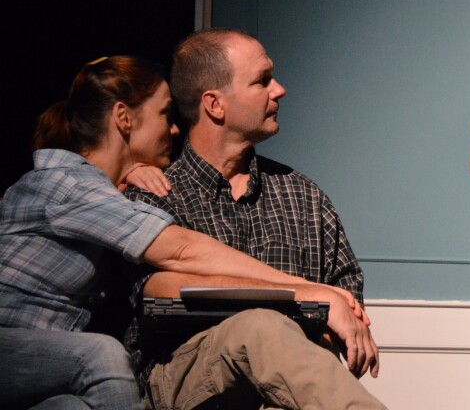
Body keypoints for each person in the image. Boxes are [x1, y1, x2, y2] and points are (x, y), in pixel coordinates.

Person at [0, 56, 348, 409]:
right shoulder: (67, 185)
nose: (175, 129)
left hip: (41, 357)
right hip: (10, 344)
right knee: (100, 355)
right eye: (165, 114)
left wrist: (124, 177)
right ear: (123, 118)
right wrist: (308, 291)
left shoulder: (101, 193)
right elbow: (179, 249)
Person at [123, 28, 385, 410]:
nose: (279, 90)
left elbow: (345, 299)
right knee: (259, 326)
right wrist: (301, 294)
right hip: (186, 383)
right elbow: (154, 287)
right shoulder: (156, 194)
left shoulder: (304, 196)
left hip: (290, 391)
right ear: (215, 105)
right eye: (262, 81)